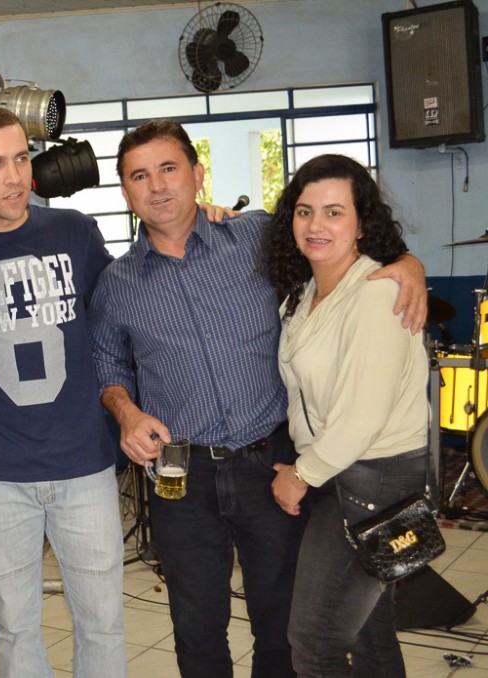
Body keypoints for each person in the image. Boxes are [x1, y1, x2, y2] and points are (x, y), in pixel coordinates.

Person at [88, 120, 427, 678]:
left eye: (169, 168)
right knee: (196, 627)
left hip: (271, 463)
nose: (158, 186)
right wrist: (125, 411)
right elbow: (107, 363)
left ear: (198, 174)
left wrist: (409, 267)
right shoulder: (117, 284)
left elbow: (344, 242)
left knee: (284, 626)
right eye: (139, 176)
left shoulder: (256, 238)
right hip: (180, 474)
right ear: (125, 191)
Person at [0, 106, 127, 678]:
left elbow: (128, 301)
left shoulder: (74, 231)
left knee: (102, 622)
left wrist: (205, 219)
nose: (15, 176)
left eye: (22, 158)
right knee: (14, 628)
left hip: (84, 464)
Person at [262, 154, 428, 677]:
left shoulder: (377, 293)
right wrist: (308, 463)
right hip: (336, 470)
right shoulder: (303, 295)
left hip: (377, 476)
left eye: (334, 212)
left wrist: (301, 475)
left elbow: (363, 416)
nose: (316, 224)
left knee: (314, 641)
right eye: (305, 211)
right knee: (372, 635)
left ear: (360, 224)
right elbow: (299, 391)